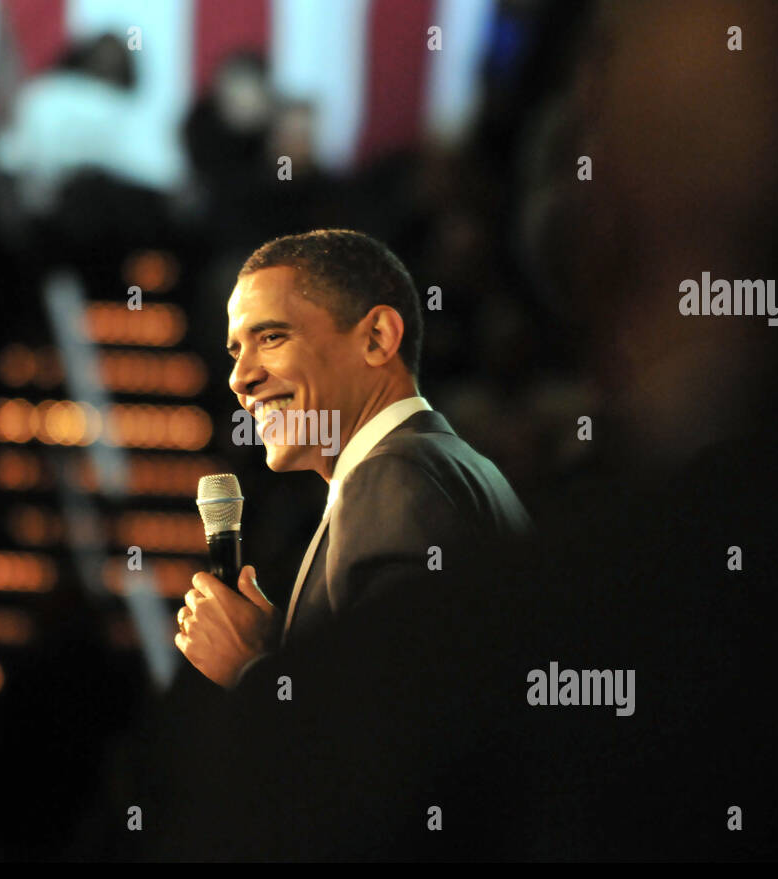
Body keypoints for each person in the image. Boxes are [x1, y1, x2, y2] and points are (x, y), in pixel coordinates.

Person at [173, 228, 530, 689]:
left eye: (273, 337)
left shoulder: (393, 478)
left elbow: (407, 732)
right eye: (236, 351)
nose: (239, 378)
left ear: (377, 339)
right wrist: (286, 652)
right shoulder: (446, 465)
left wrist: (253, 672)